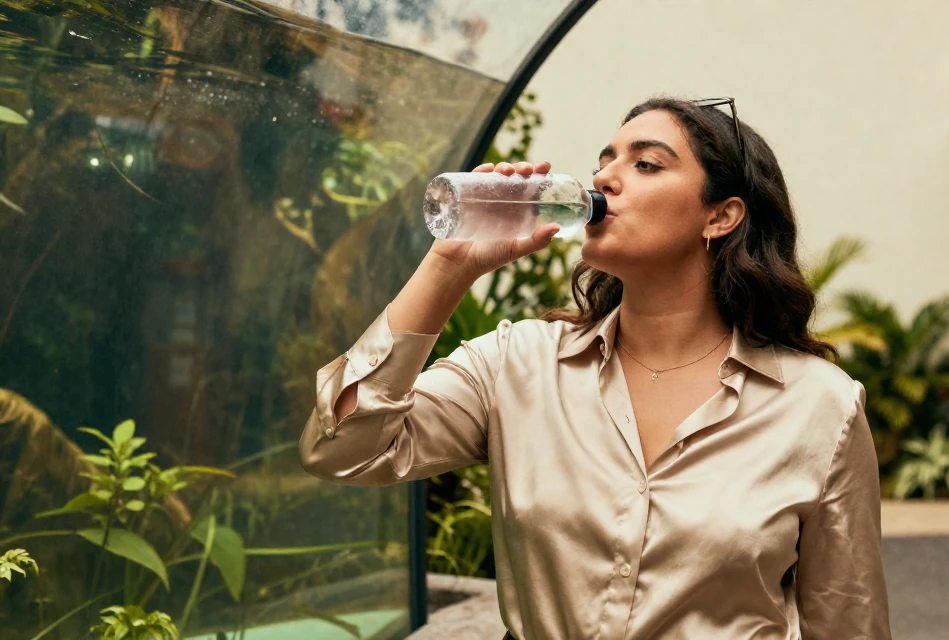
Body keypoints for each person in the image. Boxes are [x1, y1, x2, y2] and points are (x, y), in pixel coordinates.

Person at [299, 96, 891, 639]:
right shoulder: (519, 363)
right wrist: (449, 267)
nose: (604, 176)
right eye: (605, 160)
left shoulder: (819, 406)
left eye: (647, 164)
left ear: (721, 216)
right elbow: (342, 448)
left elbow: (847, 622)